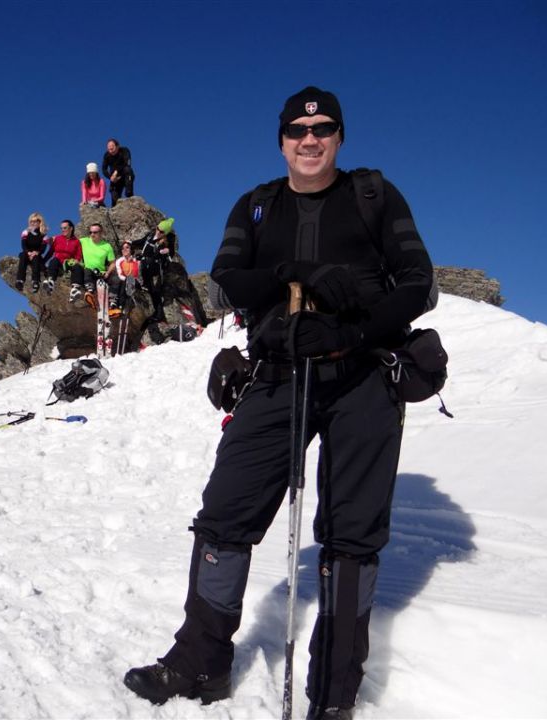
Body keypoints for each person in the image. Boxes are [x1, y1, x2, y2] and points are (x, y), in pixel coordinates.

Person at [123, 86, 435, 720]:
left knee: (351, 537)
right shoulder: (257, 207)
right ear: (282, 140)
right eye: (298, 130)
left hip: (364, 378)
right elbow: (227, 280)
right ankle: (201, 661)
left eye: (322, 129)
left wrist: (356, 330)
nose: (310, 139)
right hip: (277, 374)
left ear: (340, 137)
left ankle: (334, 695)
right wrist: (298, 272)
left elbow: (418, 281)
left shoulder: (374, 196)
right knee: (226, 512)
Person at [133, 217, 176, 320]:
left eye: (161, 231)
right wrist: (131, 243)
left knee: (154, 291)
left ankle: (159, 315)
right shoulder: (151, 234)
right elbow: (142, 241)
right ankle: (148, 312)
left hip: (155, 268)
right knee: (145, 287)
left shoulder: (165, 241)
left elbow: (171, 252)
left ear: (165, 233)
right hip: (144, 265)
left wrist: (167, 251)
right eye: (157, 228)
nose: (158, 231)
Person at [44, 218, 86, 300]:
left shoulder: (76, 241)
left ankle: (75, 289)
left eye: (65, 228)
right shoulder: (57, 239)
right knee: (54, 260)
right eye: (61, 228)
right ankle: (50, 282)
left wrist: (76, 260)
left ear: (71, 228)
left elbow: (78, 255)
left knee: (77, 267)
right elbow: (50, 252)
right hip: (58, 262)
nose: (63, 230)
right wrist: (43, 261)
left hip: (68, 263)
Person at [79, 222, 115, 299]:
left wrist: (108, 273)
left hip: (101, 273)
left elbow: (113, 263)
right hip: (88, 272)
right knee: (87, 270)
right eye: (90, 232)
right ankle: (90, 292)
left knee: (116, 279)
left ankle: (112, 302)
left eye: (95, 232)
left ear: (101, 233)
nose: (92, 234)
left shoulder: (107, 246)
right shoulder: (84, 241)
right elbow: (70, 240)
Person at [16, 212, 49, 292]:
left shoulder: (44, 236)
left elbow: (43, 249)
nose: (33, 223)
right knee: (23, 256)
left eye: (35, 221)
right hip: (27, 253)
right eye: (31, 221)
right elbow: (23, 245)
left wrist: (36, 253)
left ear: (40, 222)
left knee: (36, 258)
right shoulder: (25, 232)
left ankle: (35, 281)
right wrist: (28, 252)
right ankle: (20, 281)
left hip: (37, 254)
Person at [108, 240, 140, 310]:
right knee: (117, 279)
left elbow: (138, 275)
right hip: (123, 280)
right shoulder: (119, 261)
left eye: (127, 247)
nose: (124, 250)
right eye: (123, 248)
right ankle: (114, 302)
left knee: (129, 281)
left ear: (131, 250)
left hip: (133, 281)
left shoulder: (136, 261)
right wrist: (127, 279)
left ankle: (122, 305)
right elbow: (120, 274)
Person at [102, 138, 134, 206]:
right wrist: (110, 177)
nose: (111, 151)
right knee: (114, 200)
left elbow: (128, 163)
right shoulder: (107, 155)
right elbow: (104, 169)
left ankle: (130, 196)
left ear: (117, 146)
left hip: (125, 175)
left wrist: (116, 171)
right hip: (115, 179)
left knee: (128, 170)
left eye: (112, 148)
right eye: (109, 149)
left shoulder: (125, 151)